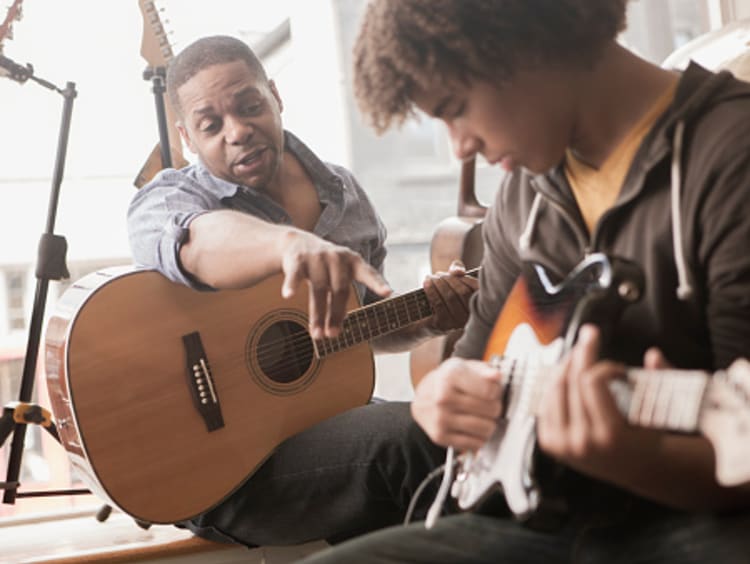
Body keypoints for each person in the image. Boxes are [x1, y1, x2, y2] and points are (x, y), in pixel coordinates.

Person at [300, 0, 750, 562]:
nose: (458, 146)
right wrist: (441, 399)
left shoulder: (733, 156)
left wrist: (634, 456)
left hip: (703, 524)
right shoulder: (524, 194)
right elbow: (474, 362)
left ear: (522, 39)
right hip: (544, 521)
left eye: (455, 108)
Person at [127, 35, 477, 547]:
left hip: (318, 425)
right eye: (212, 125)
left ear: (274, 96)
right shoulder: (171, 197)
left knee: (456, 431)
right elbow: (196, 243)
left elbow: (364, 323)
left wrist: (428, 318)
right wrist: (286, 244)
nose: (238, 131)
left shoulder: (344, 195)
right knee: (414, 441)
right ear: (185, 139)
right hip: (215, 465)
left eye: (250, 107)